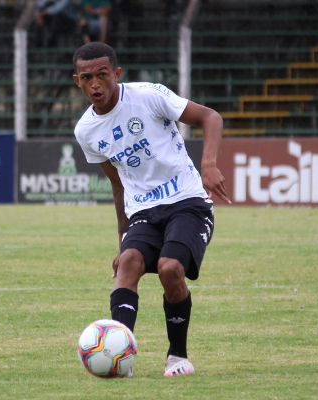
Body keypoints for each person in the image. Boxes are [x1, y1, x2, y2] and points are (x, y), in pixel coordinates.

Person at [72, 42, 231, 377]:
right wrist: (122, 242)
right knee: (128, 262)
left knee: (170, 268)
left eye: (102, 75)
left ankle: (177, 356)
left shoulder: (148, 95)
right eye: (87, 78)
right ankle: (120, 357)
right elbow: (119, 185)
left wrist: (209, 163)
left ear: (116, 74)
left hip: (187, 201)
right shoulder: (86, 131)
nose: (96, 84)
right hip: (143, 210)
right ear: (78, 81)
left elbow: (210, 117)